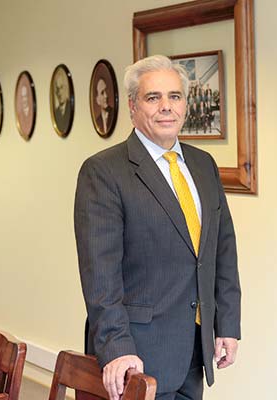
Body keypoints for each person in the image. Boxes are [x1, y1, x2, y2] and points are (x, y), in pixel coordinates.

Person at [74, 55, 241, 400]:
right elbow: (100, 275)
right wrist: (116, 346)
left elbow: (222, 249)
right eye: (154, 98)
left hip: (194, 351)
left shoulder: (203, 164)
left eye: (175, 96)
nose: (167, 107)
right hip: (136, 358)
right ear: (133, 107)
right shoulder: (104, 172)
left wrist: (226, 324)